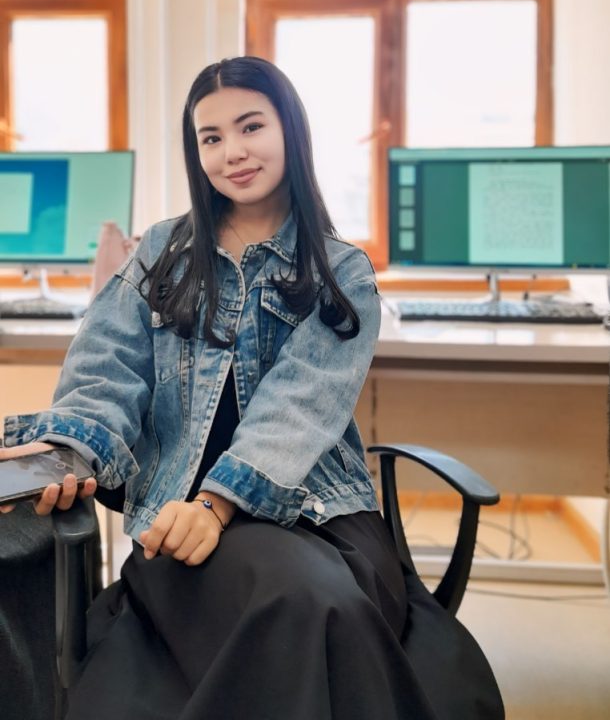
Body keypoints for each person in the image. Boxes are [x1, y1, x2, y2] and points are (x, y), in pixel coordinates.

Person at [1, 56, 504, 720]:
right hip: (183, 523)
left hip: (319, 517)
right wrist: (62, 453)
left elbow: (297, 408)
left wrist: (217, 507)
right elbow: (106, 376)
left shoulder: (341, 270)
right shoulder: (159, 252)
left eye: (250, 127)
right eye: (210, 138)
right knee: (296, 605)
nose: (231, 152)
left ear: (290, 130)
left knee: (316, 601)